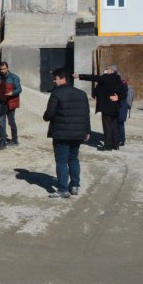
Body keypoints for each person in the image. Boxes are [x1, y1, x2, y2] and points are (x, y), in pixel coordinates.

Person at [43, 68, 91, 198]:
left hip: (61, 133)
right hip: (78, 133)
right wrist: (87, 131)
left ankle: (63, 189)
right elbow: (86, 114)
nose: (54, 81)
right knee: (73, 158)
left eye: (56, 79)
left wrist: (45, 117)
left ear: (63, 79)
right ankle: (74, 186)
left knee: (61, 161)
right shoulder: (82, 94)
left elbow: (49, 113)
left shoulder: (56, 93)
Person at [74, 66, 126, 151]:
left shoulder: (106, 77)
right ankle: (115, 145)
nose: (106, 70)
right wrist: (118, 98)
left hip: (106, 106)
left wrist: (79, 76)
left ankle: (108, 145)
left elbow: (93, 77)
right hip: (115, 106)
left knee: (107, 126)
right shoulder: (117, 78)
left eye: (108, 69)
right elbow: (123, 93)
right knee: (114, 125)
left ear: (112, 70)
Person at [0, 61, 22, 146]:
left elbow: (19, 89)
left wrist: (12, 93)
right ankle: (3, 142)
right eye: (1, 69)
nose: (3, 71)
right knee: (1, 122)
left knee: (11, 122)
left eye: (4, 69)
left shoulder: (14, 77)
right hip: (1, 103)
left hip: (10, 103)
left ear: (7, 68)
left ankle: (15, 139)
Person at [118, 77, 134, 147]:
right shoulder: (126, 87)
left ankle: (121, 140)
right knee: (120, 124)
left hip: (121, 108)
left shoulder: (122, 88)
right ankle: (121, 139)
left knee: (119, 124)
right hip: (123, 108)